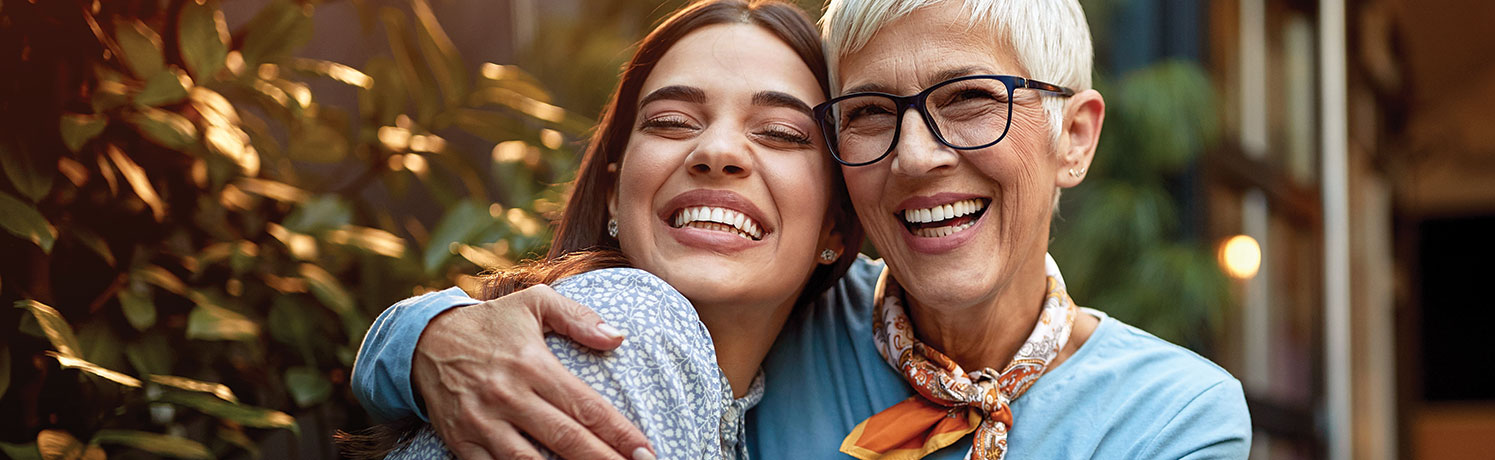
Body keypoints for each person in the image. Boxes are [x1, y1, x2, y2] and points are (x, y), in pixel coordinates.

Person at [352, 0, 1253, 458]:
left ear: (1076, 136)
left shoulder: (1174, 416)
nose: (916, 156)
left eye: (970, 101)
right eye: (868, 114)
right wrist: (428, 334)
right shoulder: (771, 319)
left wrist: (415, 337)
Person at [345, 1, 861, 458]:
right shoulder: (632, 327)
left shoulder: (828, 346)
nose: (717, 152)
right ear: (614, 192)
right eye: (671, 122)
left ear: (836, 227)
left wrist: (411, 334)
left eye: (780, 132)